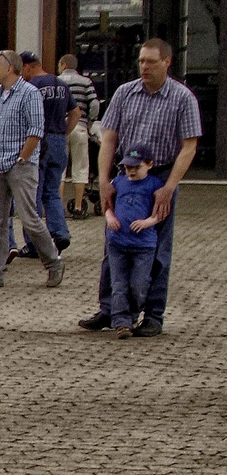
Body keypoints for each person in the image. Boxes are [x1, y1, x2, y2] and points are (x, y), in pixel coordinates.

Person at [79, 38, 199, 338]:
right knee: (115, 242)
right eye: (141, 61)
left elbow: (189, 147)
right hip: (124, 176)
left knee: (157, 248)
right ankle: (111, 309)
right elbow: (109, 139)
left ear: (167, 62)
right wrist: (104, 180)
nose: (144, 67)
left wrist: (169, 187)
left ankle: (153, 314)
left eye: (151, 62)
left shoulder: (182, 98)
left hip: (159, 178)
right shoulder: (124, 93)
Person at [0, 51, 61, 288]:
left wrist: (23, 158)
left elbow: (36, 130)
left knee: (29, 219)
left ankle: (53, 262)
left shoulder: (30, 94)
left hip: (20, 165)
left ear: (10, 69)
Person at [20, 51, 79, 256]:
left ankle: (35, 243)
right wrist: (64, 132)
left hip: (39, 141)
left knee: (34, 192)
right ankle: (60, 233)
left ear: (28, 66)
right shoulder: (60, 84)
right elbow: (76, 112)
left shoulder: (31, 87)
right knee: (52, 192)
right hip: (58, 141)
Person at [101, 145, 164, 338]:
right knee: (118, 284)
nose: (132, 171)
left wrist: (147, 222)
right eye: (128, 167)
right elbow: (107, 205)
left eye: (137, 167)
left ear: (150, 165)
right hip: (118, 242)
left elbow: (161, 213)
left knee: (139, 284)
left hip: (143, 245)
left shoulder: (155, 184)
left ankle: (134, 314)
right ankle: (121, 322)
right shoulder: (118, 182)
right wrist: (109, 217)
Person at [56, 55, 100, 218]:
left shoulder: (57, 82)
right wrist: (89, 122)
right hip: (80, 127)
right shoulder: (86, 82)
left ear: (64, 64)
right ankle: (79, 206)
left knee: (60, 169)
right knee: (81, 167)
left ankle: (58, 206)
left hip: (60, 128)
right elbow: (94, 104)